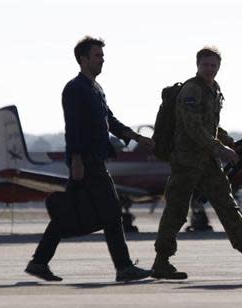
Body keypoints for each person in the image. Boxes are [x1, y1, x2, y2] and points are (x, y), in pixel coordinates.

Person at [25, 36, 154, 282]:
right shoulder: (75, 89)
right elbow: (72, 127)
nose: (102, 60)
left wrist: (136, 137)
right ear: (83, 59)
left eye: (102, 56)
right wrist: (76, 159)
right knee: (112, 213)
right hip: (87, 162)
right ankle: (124, 267)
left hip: (95, 160)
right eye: (97, 56)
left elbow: (110, 121)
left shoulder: (96, 89)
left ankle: (39, 262)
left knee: (69, 213)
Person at [151, 47, 242, 279]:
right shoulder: (191, 90)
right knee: (176, 211)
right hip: (187, 161)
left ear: (219, 67)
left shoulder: (214, 90)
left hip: (209, 162)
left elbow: (211, 124)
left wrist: (228, 142)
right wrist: (219, 148)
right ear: (197, 65)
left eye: (213, 65)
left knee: (228, 207)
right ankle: (161, 261)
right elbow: (193, 127)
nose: (209, 69)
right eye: (205, 65)